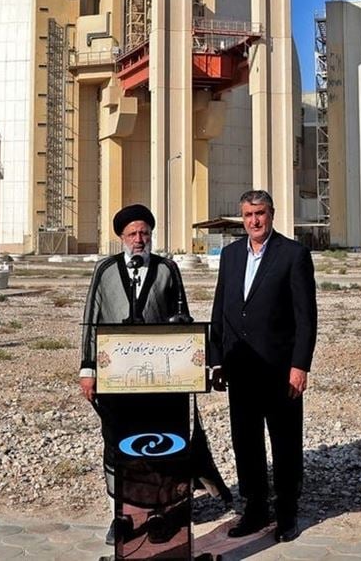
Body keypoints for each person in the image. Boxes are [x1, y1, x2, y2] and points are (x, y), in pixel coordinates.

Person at [80, 203, 230, 545]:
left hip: (160, 381)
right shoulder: (105, 271)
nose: (139, 239)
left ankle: (162, 511)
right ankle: (121, 515)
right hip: (116, 380)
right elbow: (91, 320)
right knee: (118, 444)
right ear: (121, 237)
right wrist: (88, 369)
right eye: (132, 234)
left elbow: (183, 318)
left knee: (162, 442)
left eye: (144, 233)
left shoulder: (167, 269)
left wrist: (194, 360)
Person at [209, 190, 317, 543]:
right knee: (246, 442)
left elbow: (306, 318)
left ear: (271, 214)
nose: (254, 221)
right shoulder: (231, 256)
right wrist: (216, 359)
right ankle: (254, 509)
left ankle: (287, 512)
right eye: (248, 215)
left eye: (260, 213)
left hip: (279, 370)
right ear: (241, 218)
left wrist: (299, 366)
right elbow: (221, 309)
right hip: (240, 368)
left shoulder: (293, 255)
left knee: (285, 442)